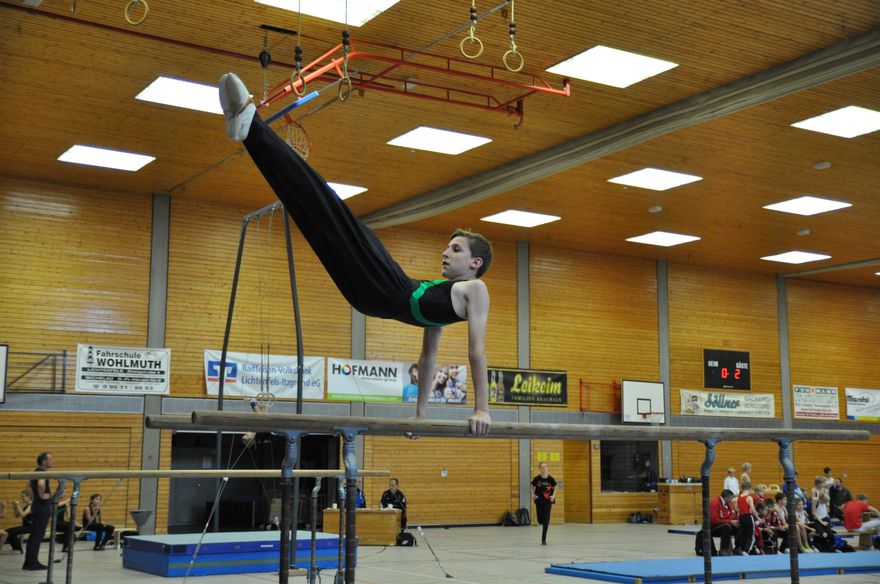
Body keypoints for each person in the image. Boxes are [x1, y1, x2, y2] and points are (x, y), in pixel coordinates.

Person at [219, 72, 492, 437]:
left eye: (456, 249)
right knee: (311, 215)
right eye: (448, 245)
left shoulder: (475, 290)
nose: (445, 252)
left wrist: (482, 410)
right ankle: (250, 133)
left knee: (328, 206)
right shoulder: (445, 305)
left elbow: (477, 352)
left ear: (476, 264)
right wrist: (420, 414)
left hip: (387, 287)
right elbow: (427, 359)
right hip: (372, 297)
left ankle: (252, 125)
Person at [24, 452, 57, 571]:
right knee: (37, 536)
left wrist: (36, 497)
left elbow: (28, 487)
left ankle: (29, 562)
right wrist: (43, 496)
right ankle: (31, 563)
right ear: (44, 461)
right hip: (42, 507)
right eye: (51, 459)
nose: (53, 461)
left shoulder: (35, 472)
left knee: (34, 536)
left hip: (37, 506)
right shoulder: (42, 472)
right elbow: (40, 484)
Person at [531, 462, 557, 545]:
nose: (544, 468)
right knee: (540, 520)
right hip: (539, 501)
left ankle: (543, 539)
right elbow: (532, 485)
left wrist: (553, 495)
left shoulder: (551, 479)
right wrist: (532, 494)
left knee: (546, 520)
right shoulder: (537, 479)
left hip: (547, 501)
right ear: (540, 469)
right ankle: (541, 521)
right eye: (542, 467)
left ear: (547, 468)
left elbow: (555, 486)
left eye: (545, 466)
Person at [709, 489, 738, 555]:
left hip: (724, 523)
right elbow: (714, 520)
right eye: (731, 498)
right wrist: (730, 521)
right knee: (726, 527)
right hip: (713, 526)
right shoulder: (714, 503)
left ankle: (738, 547)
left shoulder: (729, 503)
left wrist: (735, 521)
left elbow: (732, 515)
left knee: (739, 525)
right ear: (726, 497)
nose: (732, 500)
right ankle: (724, 549)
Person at [5, 489, 33, 554]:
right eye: (22, 496)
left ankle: (19, 549)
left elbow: (23, 514)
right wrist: (15, 506)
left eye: (23, 496)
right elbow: (16, 515)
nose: (22, 498)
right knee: (8, 531)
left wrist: (18, 505)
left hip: (31, 527)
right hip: (25, 526)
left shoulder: (32, 505)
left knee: (12, 532)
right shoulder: (25, 505)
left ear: (29, 497)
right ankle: (15, 549)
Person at [734, 481, 758, 556]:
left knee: (744, 534)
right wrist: (758, 517)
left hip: (741, 517)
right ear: (749, 489)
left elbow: (737, 509)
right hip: (748, 517)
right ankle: (747, 551)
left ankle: (742, 549)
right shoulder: (749, 497)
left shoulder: (739, 497)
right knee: (751, 535)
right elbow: (753, 510)